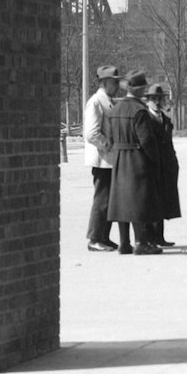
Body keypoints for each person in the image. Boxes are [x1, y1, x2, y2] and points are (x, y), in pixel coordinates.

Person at [104, 71, 161, 255]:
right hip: (137, 158)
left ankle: (124, 243)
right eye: (143, 88)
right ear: (137, 89)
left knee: (121, 201)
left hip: (120, 158)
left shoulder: (115, 110)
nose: (145, 91)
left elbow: (110, 138)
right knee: (138, 201)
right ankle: (141, 242)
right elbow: (147, 140)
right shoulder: (139, 111)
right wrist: (155, 160)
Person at [82, 65, 121, 252]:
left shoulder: (108, 101)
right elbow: (91, 133)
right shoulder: (96, 102)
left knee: (109, 200)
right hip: (102, 160)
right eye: (114, 82)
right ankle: (95, 238)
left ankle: (104, 236)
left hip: (109, 160)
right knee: (102, 200)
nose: (118, 85)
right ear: (105, 83)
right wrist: (108, 145)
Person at [139, 84, 182, 249]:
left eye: (159, 99)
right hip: (152, 164)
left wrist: (174, 162)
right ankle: (149, 236)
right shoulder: (145, 119)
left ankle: (160, 236)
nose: (157, 102)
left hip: (167, 165)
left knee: (163, 200)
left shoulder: (166, 120)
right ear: (148, 101)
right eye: (153, 99)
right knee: (151, 201)